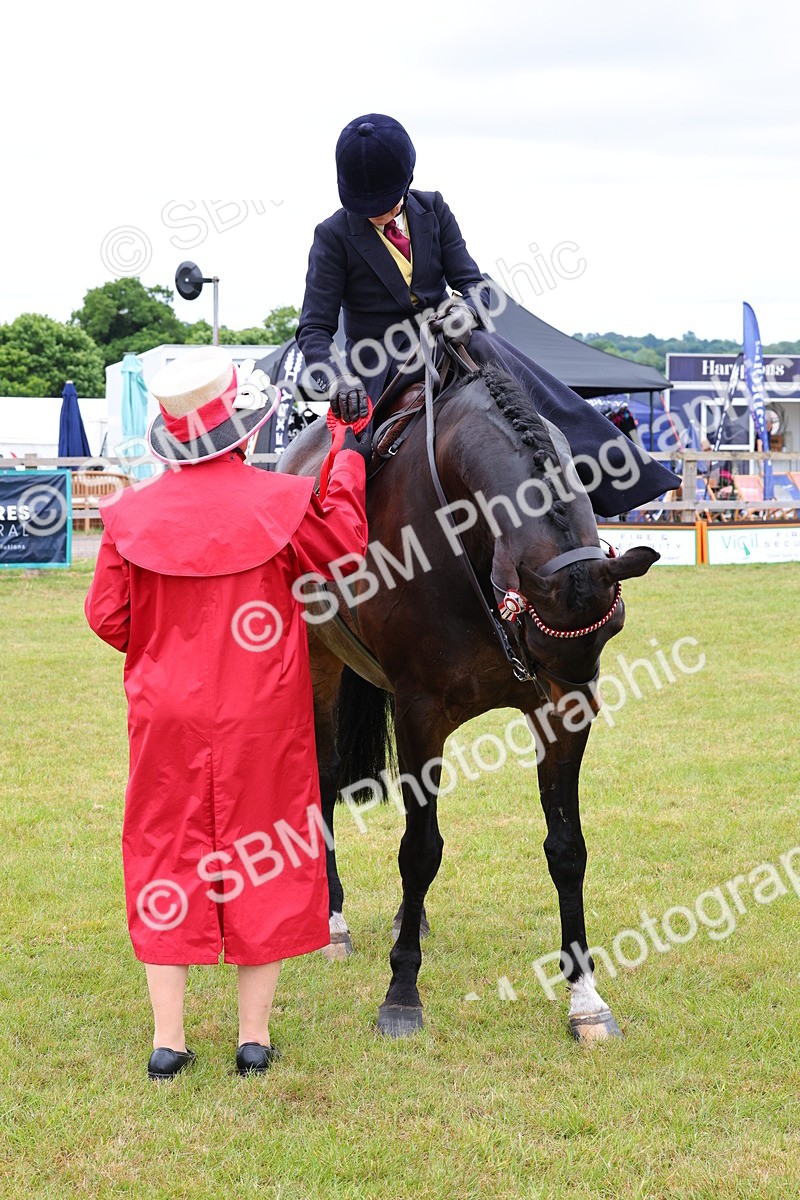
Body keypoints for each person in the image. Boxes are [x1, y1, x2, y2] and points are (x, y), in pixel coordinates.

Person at [84, 347, 369, 1081]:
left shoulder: (130, 516)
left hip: (165, 714)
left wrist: (163, 645)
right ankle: (252, 1038)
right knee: (263, 847)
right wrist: (344, 452)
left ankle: (169, 1041)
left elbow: (108, 617)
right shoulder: (279, 501)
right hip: (261, 710)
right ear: (242, 429)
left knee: (163, 851)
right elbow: (343, 553)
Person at [296, 112, 680, 517]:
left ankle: (610, 474)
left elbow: (476, 286)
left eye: (383, 203)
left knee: (532, 386)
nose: (375, 213)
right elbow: (314, 328)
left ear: (406, 181)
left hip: (447, 343)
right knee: (353, 458)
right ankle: (344, 550)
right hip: (378, 366)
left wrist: (464, 310)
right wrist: (338, 378)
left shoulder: (434, 209)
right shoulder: (333, 235)